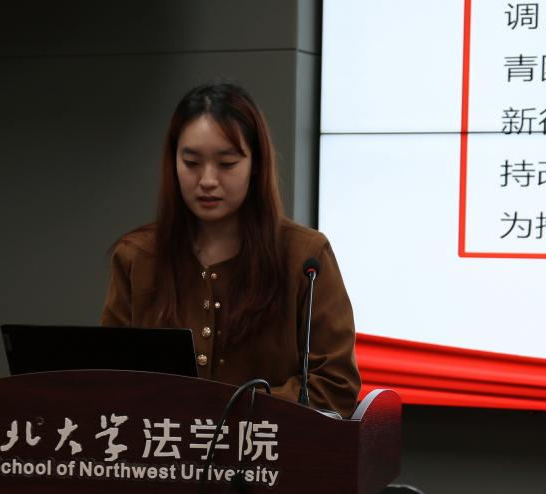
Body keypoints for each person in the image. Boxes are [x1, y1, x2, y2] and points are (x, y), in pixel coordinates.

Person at [101, 82, 361, 418]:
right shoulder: (137, 256)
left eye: (226, 164)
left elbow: (335, 385)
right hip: (164, 447)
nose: (207, 180)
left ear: (255, 164)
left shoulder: (305, 256)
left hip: (270, 448)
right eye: (191, 162)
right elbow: (109, 377)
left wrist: (227, 410)